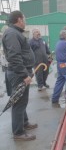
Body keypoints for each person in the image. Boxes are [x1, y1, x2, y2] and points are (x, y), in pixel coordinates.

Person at [2, 10, 37, 141]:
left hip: (20, 72)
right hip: (18, 74)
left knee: (22, 100)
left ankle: (24, 122)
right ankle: (18, 132)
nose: (25, 21)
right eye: (24, 19)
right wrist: (24, 74)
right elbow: (14, 56)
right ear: (19, 20)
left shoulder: (15, 33)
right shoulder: (12, 34)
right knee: (18, 103)